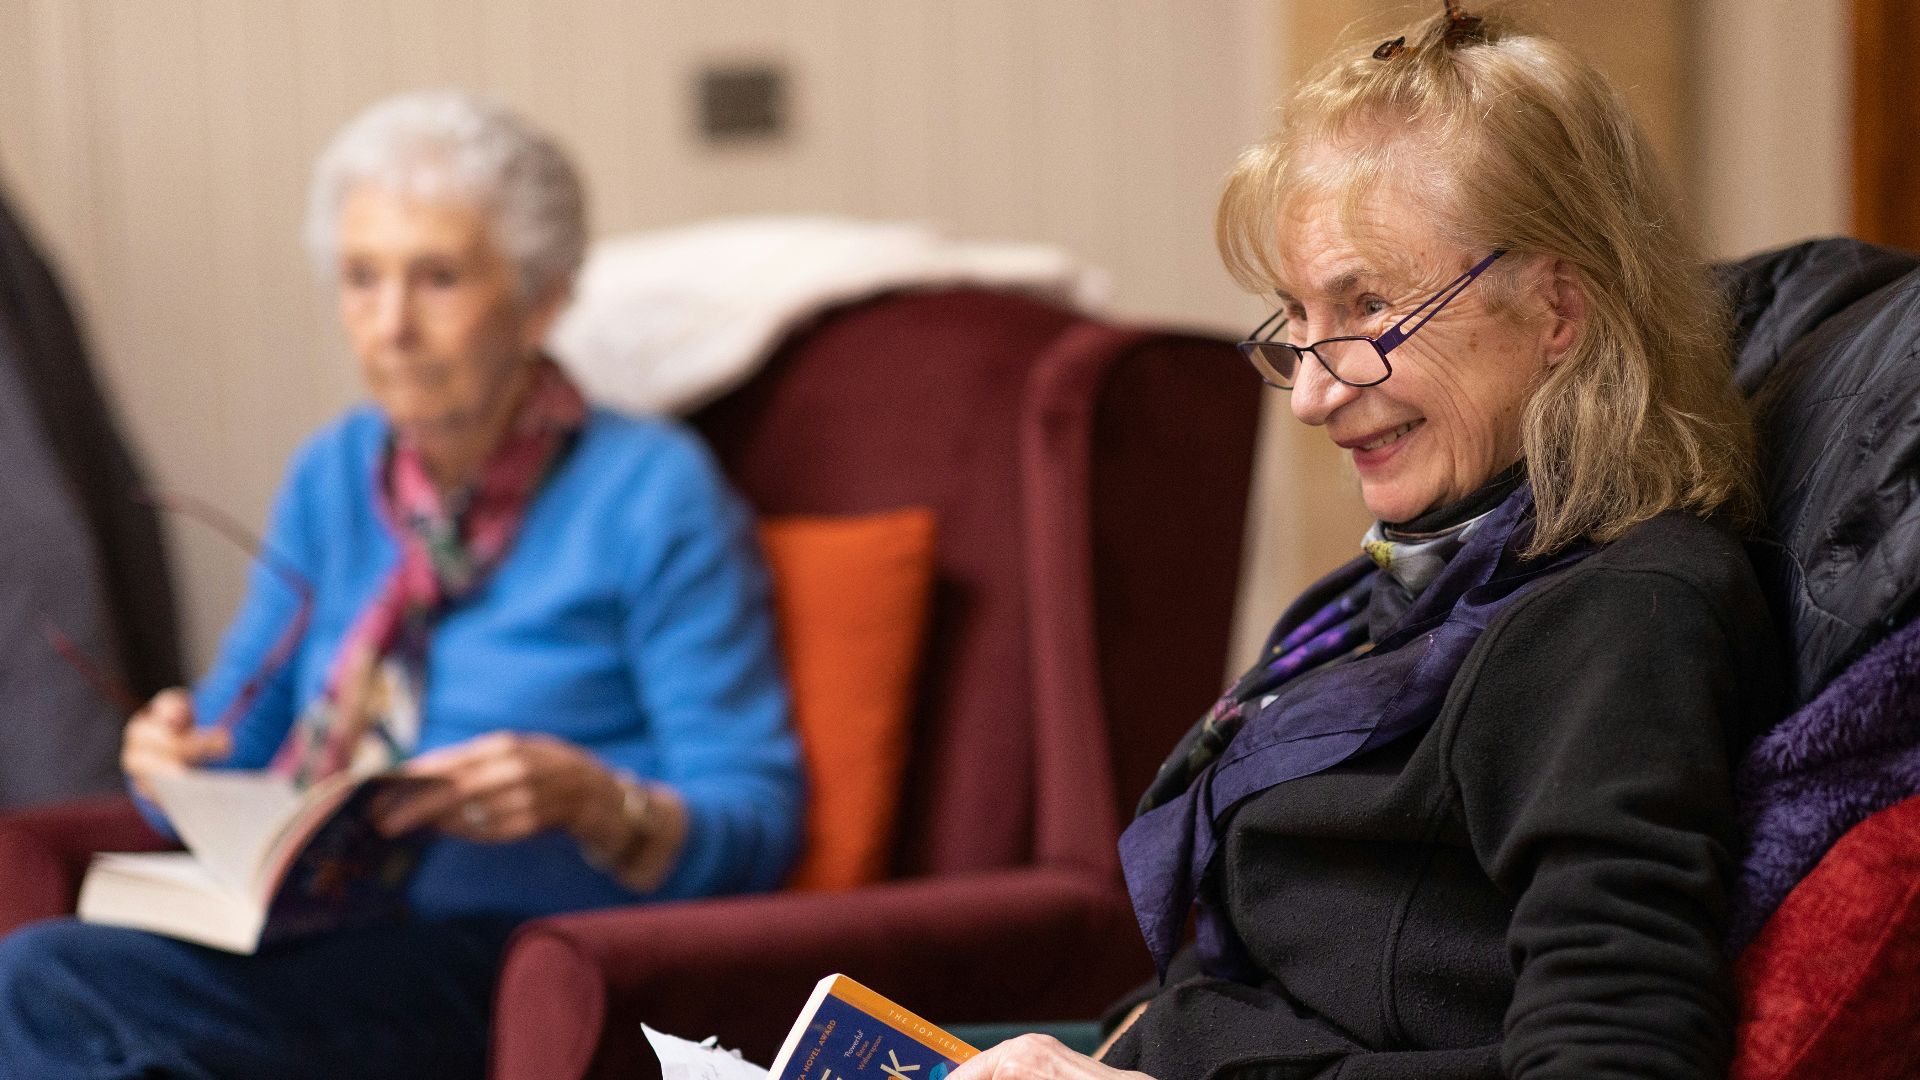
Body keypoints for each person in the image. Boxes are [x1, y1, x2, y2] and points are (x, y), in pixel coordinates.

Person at [954, 6, 1783, 1080]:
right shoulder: (1432, 572)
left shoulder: (1623, 617)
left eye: (1369, 310)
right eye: (1297, 322)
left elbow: (1608, 1058)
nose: (1308, 395)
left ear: (1558, 311)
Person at [0, 92, 802, 1079]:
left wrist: (595, 803)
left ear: (542, 297)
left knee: (50, 986)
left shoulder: (652, 492)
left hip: (528, 957)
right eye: (361, 278)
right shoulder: (334, 474)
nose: (392, 326)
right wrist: (168, 758)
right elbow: (234, 745)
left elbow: (757, 823)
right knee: (62, 988)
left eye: (439, 279)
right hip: (325, 942)